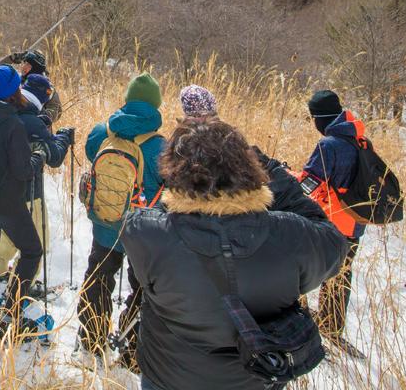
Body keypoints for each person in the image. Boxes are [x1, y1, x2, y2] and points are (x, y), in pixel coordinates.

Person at [122, 119, 347, 390]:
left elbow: (153, 216)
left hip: (169, 378)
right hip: (256, 381)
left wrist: (180, 192)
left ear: (175, 173)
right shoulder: (290, 235)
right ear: (250, 170)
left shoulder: (147, 234)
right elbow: (333, 242)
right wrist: (275, 174)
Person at [77, 73, 165, 361]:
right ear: (156, 106)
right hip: (144, 233)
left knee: (98, 280)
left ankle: (91, 338)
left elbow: (92, 154)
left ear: (127, 100)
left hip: (105, 223)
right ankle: (131, 349)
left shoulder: (102, 132)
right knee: (143, 289)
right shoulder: (162, 147)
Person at [0, 65, 46, 332]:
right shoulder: (13, 124)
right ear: (15, 90)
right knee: (32, 250)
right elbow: (23, 170)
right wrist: (38, 157)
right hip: (7, 199)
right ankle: (13, 308)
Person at [0, 73, 73, 294]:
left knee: (5, 240)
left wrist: (42, 123)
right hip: (28, 194)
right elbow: (54, 157)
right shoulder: (33, 123)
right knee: (37, 244)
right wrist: (63, 137)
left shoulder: (4, 111)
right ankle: (22, 288)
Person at [299, 89, 366, 343]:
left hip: (329, 220)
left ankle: (299, 316)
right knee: (341, 273)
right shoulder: (360, 140)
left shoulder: (329, 145)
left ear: (319, 118)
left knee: (301, 266)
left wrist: (286, 177)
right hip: (355, 222)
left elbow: (309, 184)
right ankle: (332, 323)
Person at [0, 49, 62, 121]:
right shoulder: (16, 80)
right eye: (24, 63)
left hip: (36, 129)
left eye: (28, 65)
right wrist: (12, 58)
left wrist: (43, 116)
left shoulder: (47, 87)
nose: (23, 67)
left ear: (36, 69)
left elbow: (56, 110)